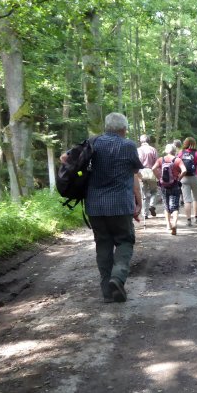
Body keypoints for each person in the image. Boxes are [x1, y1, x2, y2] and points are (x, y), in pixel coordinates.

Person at [61, 112, 143, 303]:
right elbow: (135, 171)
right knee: (124, 241)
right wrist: (137, 201)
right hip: (120, 204)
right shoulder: (129, 145)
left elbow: (65, 158)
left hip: (95, 205)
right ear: (123, 129)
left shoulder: (93, 143)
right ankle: (117, 278)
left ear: (106, 127)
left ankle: (107, 292)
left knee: (103, 244)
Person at [152, 141, 187, 235]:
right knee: (175, 206)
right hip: (175, 184)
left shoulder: (161, 159)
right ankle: (174, 224)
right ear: (174, 151)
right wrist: (179, 178)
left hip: (163, 185)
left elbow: (153, 168)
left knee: (166, 205)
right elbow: (184, 170)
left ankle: (168, 225)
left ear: (166, 150)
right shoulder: (177, 160)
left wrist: (159, 177)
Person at [178, 137, 197, 226]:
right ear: (194, 143)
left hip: (184, 177)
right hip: (195, 177)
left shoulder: (181, 153)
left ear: (185, 143)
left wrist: (177, 176)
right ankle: (196, 218)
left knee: (187, 200)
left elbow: (177, 165)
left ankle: (188, 220)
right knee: (196, 198)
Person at [137, 134, 159, 220]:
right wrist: (158, 175)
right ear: (148, 140)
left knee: (144, 194)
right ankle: (152, 205)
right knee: (154, 191)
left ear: (141, 141)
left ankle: (145, 214)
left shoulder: (138, 150)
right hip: (151, 171)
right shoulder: (153, 150)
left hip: (141, 172)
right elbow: (157, 163)